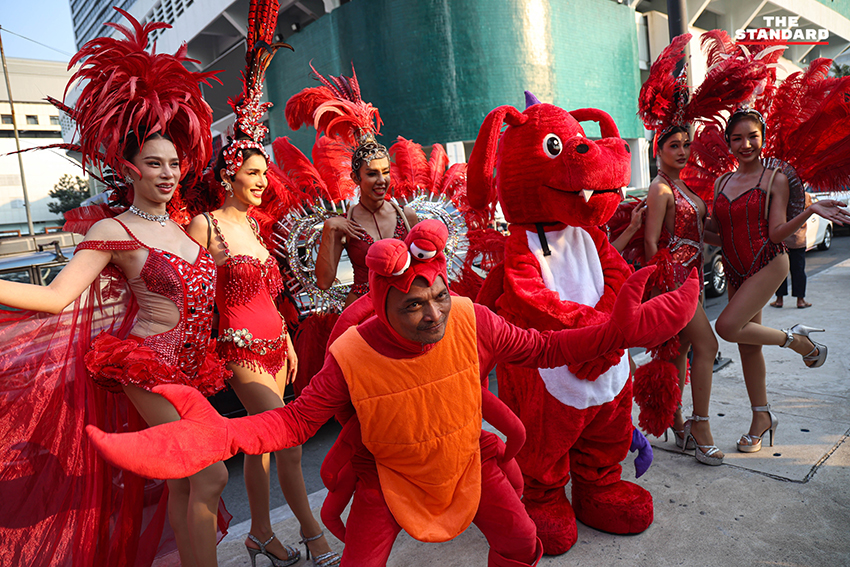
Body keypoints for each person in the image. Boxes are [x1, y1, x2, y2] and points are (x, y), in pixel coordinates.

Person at [87, 219, 700, 567]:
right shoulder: (351, 354)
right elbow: (293, 423)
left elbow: (543, 349)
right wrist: (220, 433)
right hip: (390, 477)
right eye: (414, 305)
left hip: (468, 460)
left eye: (437, 297)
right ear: (385, 304)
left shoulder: (468, 316)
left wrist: (618, 330)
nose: (433, 315)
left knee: (522, 544)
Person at [0, 10, 230, 566]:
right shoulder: (114, 229)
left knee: (184, 481)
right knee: (210, 471)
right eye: (154, 163)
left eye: (174, 163)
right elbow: (56, 297)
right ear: (129, 168)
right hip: (145, 365)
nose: (169, 173)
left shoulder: (182, 225)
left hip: (194, 367)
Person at [187, 142, 338, 567]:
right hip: (239, 352)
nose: (262, 181)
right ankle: (314, 538)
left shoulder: (253, 228)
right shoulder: (205, 226)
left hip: (276, 349)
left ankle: (260, 535)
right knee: (289, 441)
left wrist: (288, 340)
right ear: (228, 176)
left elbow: (269, 297)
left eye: (264, 173)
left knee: (262, 448)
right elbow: (193, 297)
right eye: (253, 172)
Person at [705, 109, 850, 453]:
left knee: (726, 327)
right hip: (735, 267)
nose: (746, 144)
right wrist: (679, 219)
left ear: (763, 138)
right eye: (737, 138)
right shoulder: (720, 183)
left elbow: (776, 233)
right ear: (728, 143)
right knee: (747, 344)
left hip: (769, 262)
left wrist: (810, 211)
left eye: (752, 136)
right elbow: (718, 234)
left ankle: (796, 340)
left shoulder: (775, 179)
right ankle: (761, 418)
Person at [643, 126, 722, 465]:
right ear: (658, 149)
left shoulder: (682, 186)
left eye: (686, 145)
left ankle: (677, 425)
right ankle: (700, 428)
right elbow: (650, 243)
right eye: (673, 145)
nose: (682, 151)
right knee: (709, 347)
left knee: (682, 350)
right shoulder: (660, 189)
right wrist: (664, 287)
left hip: (694, 279)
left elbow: (703, 233)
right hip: (675, 284)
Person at [770, 192, 814, 309]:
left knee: (780, 271)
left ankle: (779, 300)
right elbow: (810, 211)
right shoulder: (805, 196)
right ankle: (800, 300)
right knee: (798, 270)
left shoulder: (779, 194)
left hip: (781, 238)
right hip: (798, 239)